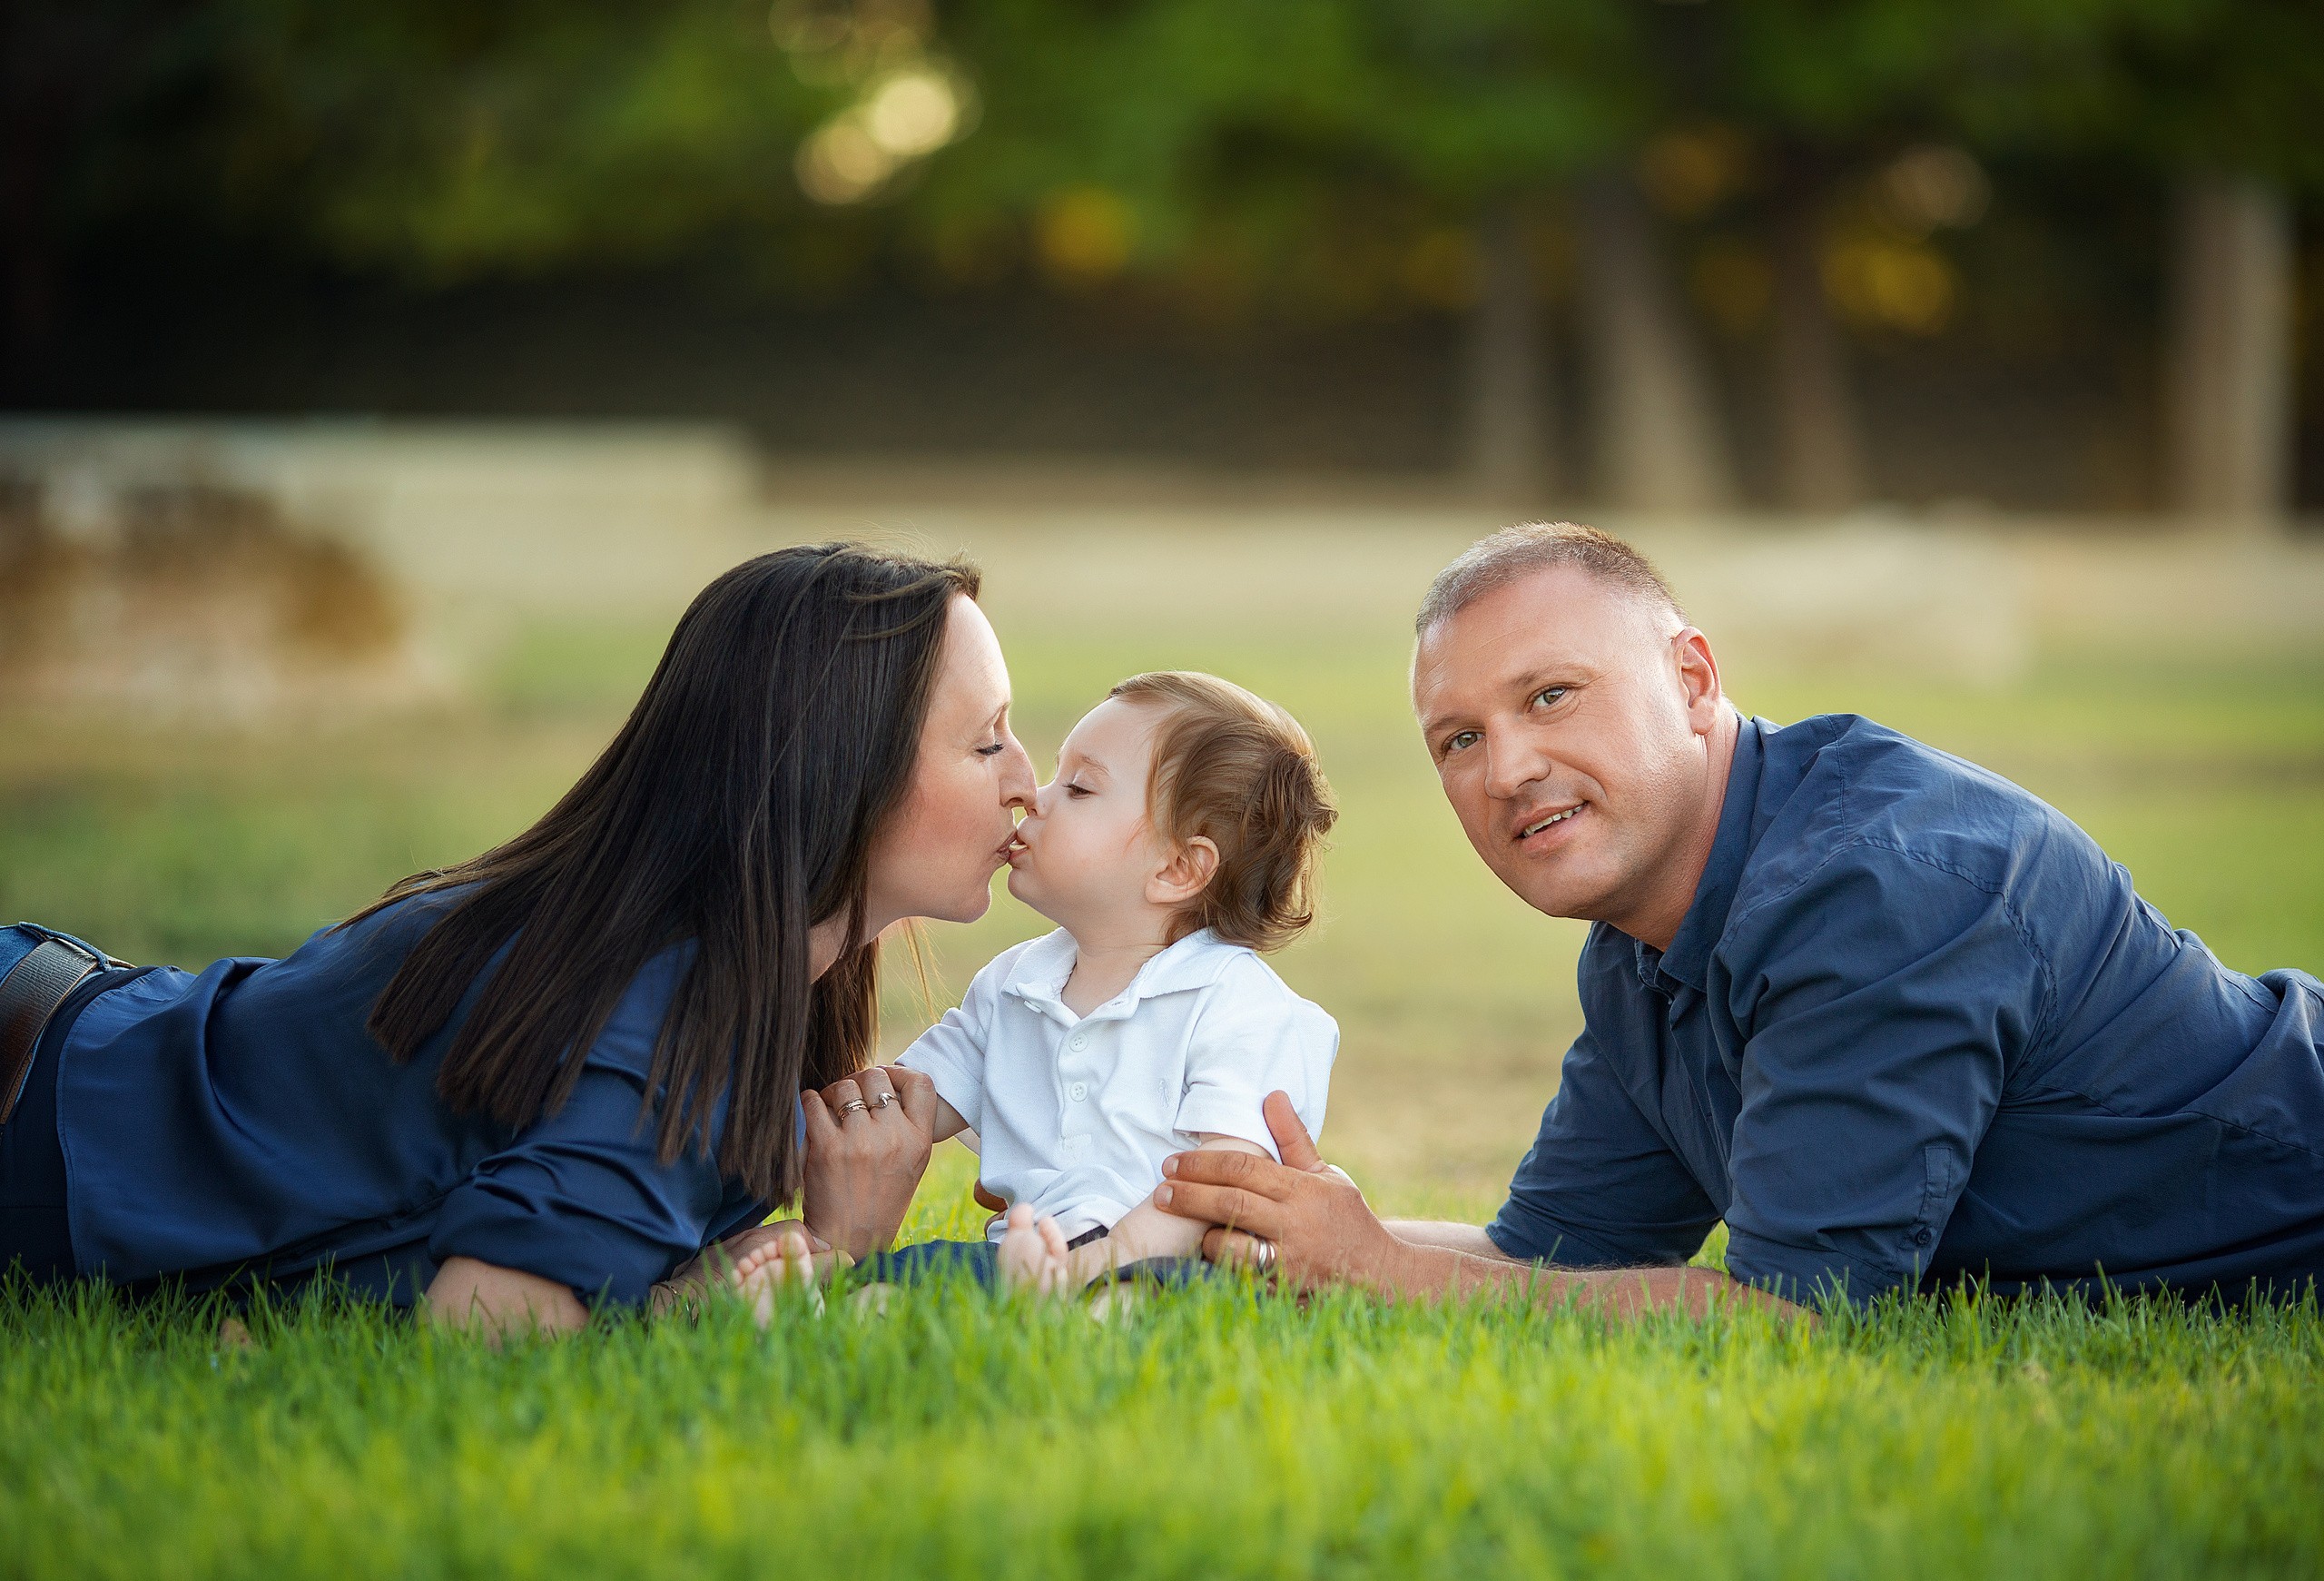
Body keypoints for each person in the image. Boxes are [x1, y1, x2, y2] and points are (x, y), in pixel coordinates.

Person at [1152, 522, 2324, 1316]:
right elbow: (1552, 1259)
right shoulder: (1640, 947)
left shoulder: (1873, 892)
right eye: (1459, 739)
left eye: (1551, 695)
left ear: (1694, 680)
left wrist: (1385, 1271)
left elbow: (1789, 1318)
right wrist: (1274, 1223)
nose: (1506, 768)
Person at [0, 543, 1039, 1335]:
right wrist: (791, 1268)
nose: (1026, 782)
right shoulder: (663, 1012)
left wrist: (809, 1249)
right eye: (986, 741)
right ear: (837, 767)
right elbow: (485, 1326)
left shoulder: (699, 962)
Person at [825, 670, 1338, 1303]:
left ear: (1178, 867)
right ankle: (853, 1297)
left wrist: (1102, 1261)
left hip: (1174, 1254)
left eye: (1078, 787)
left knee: (1171, 1289)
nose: (1034, 799)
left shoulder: (1239, 1006)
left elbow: (1225, 1183)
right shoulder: (1015, 984)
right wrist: (802, 1125)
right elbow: (909, 1100)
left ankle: (1109, 1300)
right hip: (1022, 1249)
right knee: (903, 1277)